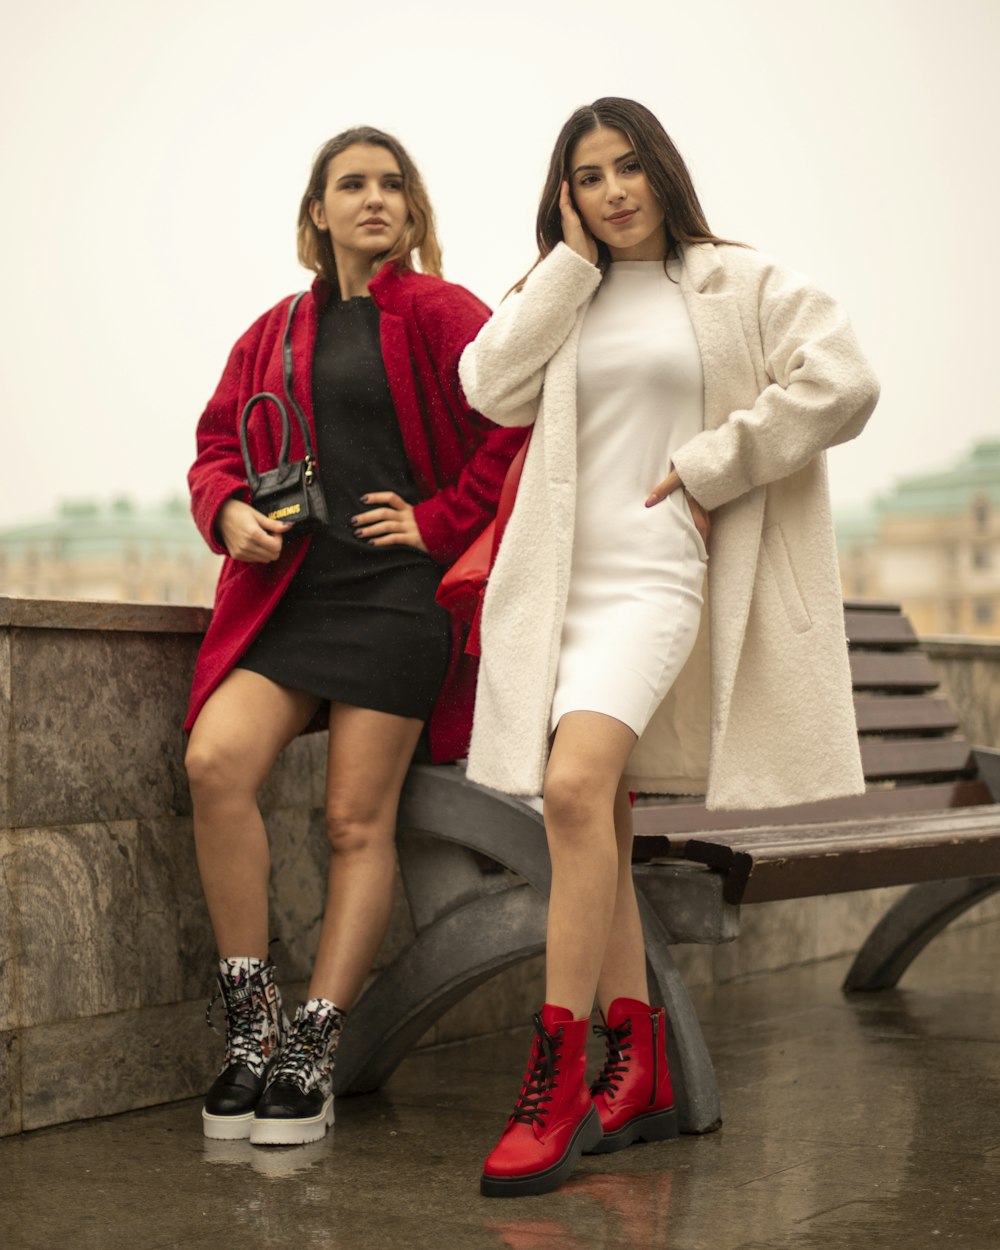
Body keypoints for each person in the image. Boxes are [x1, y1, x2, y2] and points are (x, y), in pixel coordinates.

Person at [457, 97, 879, 1197]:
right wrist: (564, 265)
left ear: (663, 169)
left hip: (655, 575)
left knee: (570, 788)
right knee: (593, 810)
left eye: (628, 166)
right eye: (588, 176)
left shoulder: (737, 283)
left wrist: (710, 464)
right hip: (562, 588)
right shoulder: (565, 294)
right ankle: (635, 1062)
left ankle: (552, 1076)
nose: (614, 190)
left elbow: (843, 382)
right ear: (568, 195)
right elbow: (484, 386)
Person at [185, 126, 524, 1147]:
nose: (374, 198)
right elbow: (214, 445)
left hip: (395, 597)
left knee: (351, 820)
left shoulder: (443, 309)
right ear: (317, 214)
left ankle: (313, 1048)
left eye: (392, 185)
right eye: (351, 185)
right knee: (213, 762)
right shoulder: (273, 329)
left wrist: (440, 517)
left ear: (412, 212)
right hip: (292, 595)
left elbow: (514, 423)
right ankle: (253, 1032)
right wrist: (229, 511)